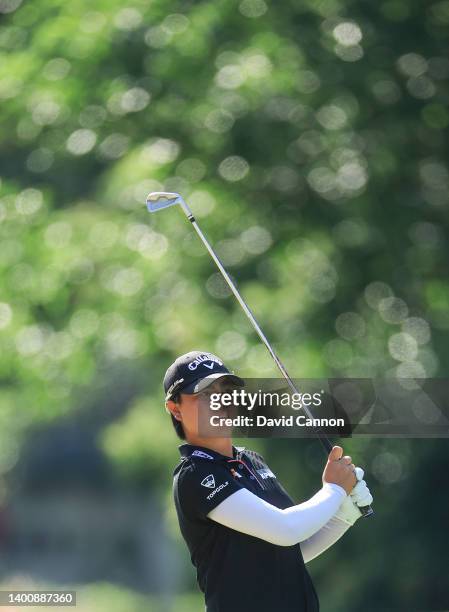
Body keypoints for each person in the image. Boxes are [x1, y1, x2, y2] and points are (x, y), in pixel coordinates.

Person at [165, 350, 373, 612]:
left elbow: (288, 551)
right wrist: (333, 490)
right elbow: (285, 530)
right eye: (205, 394)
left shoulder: (252, 462)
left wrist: (344, 513)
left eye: (225, 391)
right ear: (176, 409)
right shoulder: (194, 475)